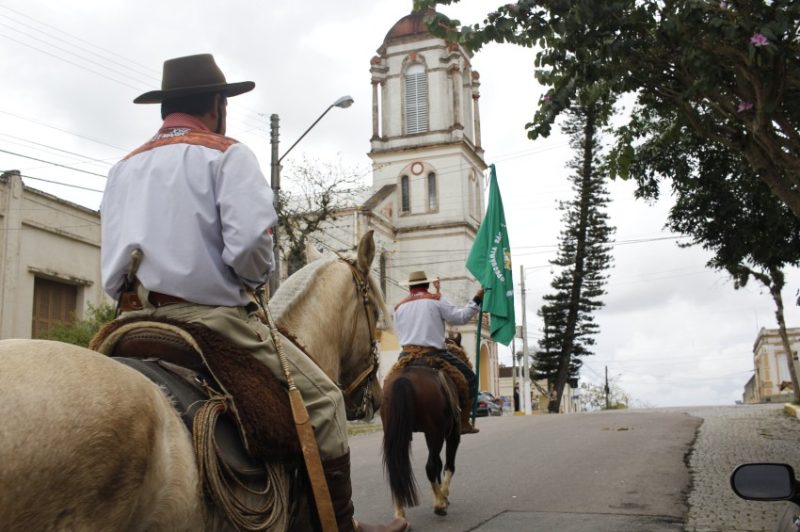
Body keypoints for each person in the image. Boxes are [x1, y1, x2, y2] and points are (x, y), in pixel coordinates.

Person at [100, 53, 406, 532]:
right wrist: (250, 278)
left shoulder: (123, 167)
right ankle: (340, 526)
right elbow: (250, 253)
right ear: (218, 105)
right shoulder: (226, 154)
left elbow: (111, 272)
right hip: (209, 319)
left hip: (131, 321)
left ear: (166, 107)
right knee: (324, 403)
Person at [393, 270, 484, 434]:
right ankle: (464, 421)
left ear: (410, 287)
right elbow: (461, 317)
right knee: (470, 378)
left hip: (405, 356)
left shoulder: (398, 307)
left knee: (389, 382)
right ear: (426, 285)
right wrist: (477, 299)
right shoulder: (436, 300)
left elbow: (400, 331)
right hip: (433, 354)